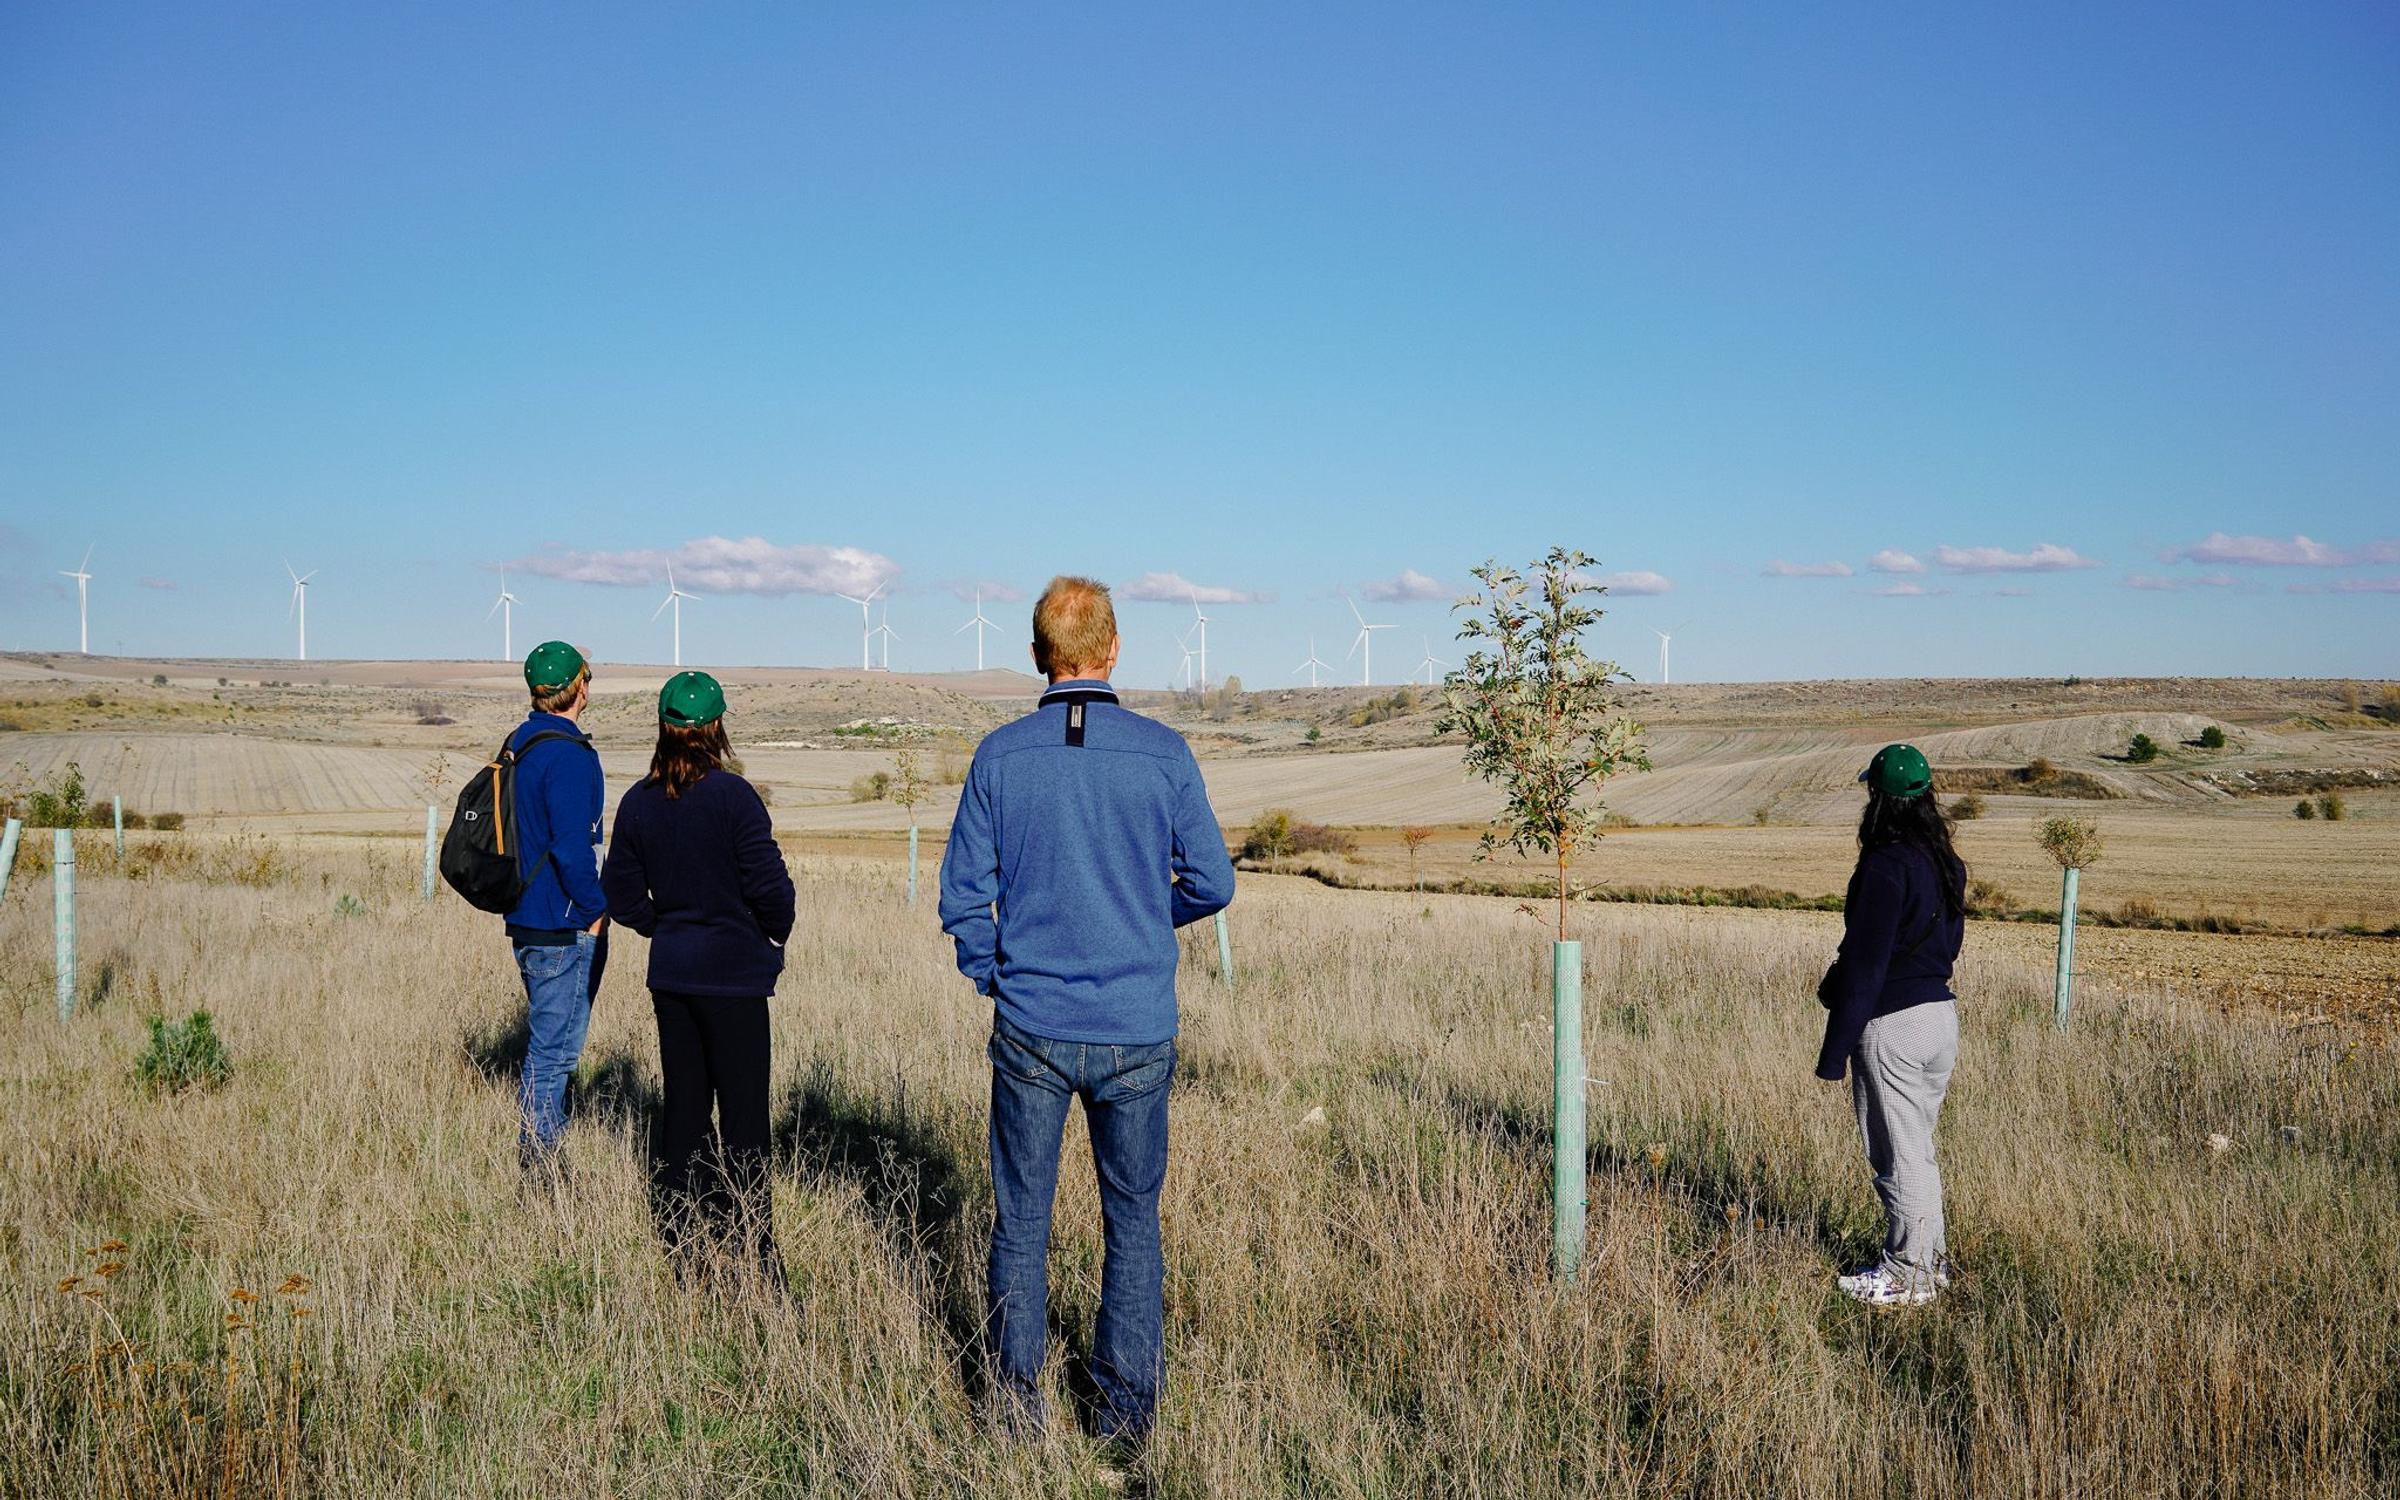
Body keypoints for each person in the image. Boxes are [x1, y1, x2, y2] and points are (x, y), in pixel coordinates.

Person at [938, 576, 1236, 1448]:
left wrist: (996, 972)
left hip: (1031, 1021)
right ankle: (1123, 1421)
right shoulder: (1164, 752)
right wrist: (1147, 914)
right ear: (1113, 652)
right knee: (1132, 1222)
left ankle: (1012, 1413)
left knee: (1020, 1221)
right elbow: (1213, 881)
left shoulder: (1000, 754)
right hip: (1138, 1026)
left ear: (1038, 656)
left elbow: (964, 895)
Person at [600, 671, 795, 1283]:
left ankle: (681, 1247)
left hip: (675, 978)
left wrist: (666, 927)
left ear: (662, 726)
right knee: (744, 1119)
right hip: (735, 981)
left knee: (683, 1110)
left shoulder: (637, 801)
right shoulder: (736, 799)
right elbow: (773, 889)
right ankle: (753, 1250)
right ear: (717, 726)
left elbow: (621, 895)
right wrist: (768, 934)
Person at [1815, 742, 1967, 1307]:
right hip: (1938, 1019)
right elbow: (1940, 944)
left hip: (1895, 1027)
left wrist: (1835, 1049)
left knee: (1896, 1154)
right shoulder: (1944, 861)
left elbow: (1868, 958)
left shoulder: (1885, 863)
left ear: (1876, 797)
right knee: (1917, 1148)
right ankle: (1930, 1262)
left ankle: (1909, 1275)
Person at [504, 641, 609, 1173]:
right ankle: (540, 1163)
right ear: (580, 686)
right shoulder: (567, 755)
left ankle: (541, 1147)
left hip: (526, 914)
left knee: (549, 1043)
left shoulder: (520, 743)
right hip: (562, 920)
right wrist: (595, 908)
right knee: (555, 1052)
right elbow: (571, 845)